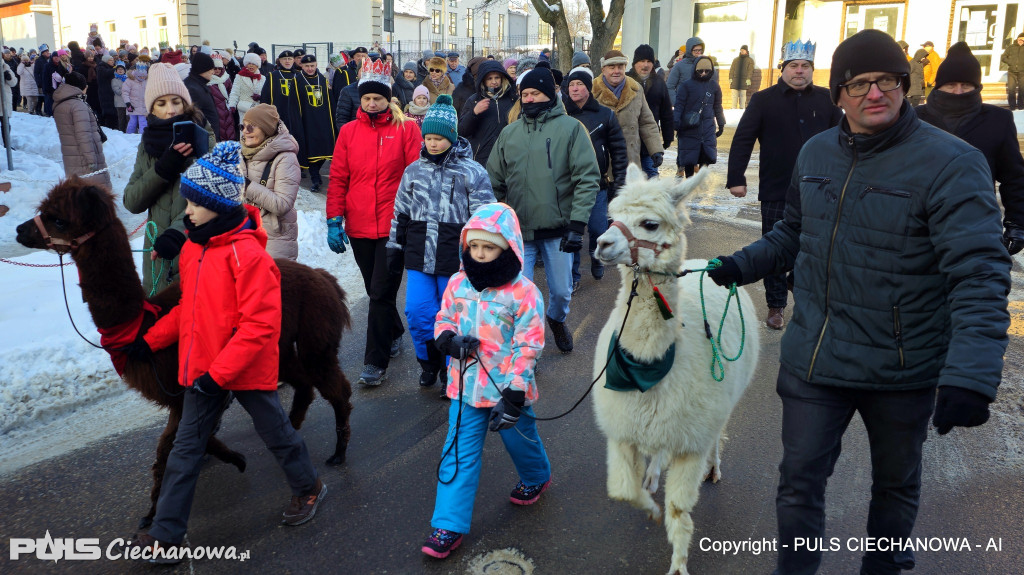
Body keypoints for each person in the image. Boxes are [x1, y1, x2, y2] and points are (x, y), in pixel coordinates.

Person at [707, 30, 1011, 575]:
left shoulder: (952, 163)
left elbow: (979, 275)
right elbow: (793, 232)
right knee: (798, 483)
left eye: (888, 81)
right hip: (816, 358)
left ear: (905, 85)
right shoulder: (816, 152)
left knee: (894, 487)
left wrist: (971, 374)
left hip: (902, 367)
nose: (876, 93)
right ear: (839, 95)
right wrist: (740, 264)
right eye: (860, 84)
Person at [128, 142, 325, 562]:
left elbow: (259, 326)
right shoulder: (195, 248)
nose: (187, 212)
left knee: (276, 433)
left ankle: (308, 486)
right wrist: (152, 340)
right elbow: (189, 308)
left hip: (243, 369)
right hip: (203, 369)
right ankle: (166, 534)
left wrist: (219, 376)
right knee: (185, 449)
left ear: (218, 205)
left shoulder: (250, 257)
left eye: (195, 204)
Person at [422, 202, 550, 560]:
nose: (479, 254)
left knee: (520, 439)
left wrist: (515, 392)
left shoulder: (525, 293)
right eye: (474, 246)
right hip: (465, 387)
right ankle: (448, 524)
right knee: (457, 453)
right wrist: (448, 340)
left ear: (507, 247)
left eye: (488, 247)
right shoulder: (457, 282)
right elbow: (444, 318)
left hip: (507, 389)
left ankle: (536, 476)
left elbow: (528, 346)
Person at [726, 39, 841, 331]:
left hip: (821, 190)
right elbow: (743, 139)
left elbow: (844, 139)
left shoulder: (827, 100)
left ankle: (804, 296)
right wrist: (736, 178)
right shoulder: (763, 100)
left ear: (812, 69)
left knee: (815, 248)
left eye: (805, 66)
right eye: (793, 66)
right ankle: (775, 305)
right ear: (783, 69)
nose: (799, 71)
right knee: (774, 249)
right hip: (777, 189)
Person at [486, 66, 600, 353]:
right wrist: (493, 222)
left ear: (550, 95)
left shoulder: (571, 129)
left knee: (561, 291)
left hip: (558, 231)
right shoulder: (509, 133)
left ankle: (557, 319)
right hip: (519, 232)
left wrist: (577, 225)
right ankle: (527, 349)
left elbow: (587, 178)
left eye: (535, 93)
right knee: (520, 297)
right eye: (524, 94)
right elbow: (493, 181)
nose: (529, 99)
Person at [387, 95, 496, 387]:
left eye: (439, 138)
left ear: (452, 137)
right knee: (417, 312)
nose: (433, 144)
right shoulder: (413, 171)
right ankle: (428, 362)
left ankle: (452, 369)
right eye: (429, 138)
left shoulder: (472, 172)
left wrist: (481, 257)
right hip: (420, 254)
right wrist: (394, 247)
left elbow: (484, 219)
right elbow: (400, 212)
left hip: (456, 258)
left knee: (453, 315)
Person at [326, 57, 421, 386]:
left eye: (377, 98)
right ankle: (393, 330)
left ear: (387, 99)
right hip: (360, 224)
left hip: (395, 226)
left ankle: (374, 362)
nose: (371, 103)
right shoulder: (349, 132)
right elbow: (338, 177)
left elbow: (415, 176)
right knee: (373, 288)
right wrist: (334, 218)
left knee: (380, 292)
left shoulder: (407, 129)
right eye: (366, 98)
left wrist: (412, 219)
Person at [917, 41, 1024, 256]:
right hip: (919, 224)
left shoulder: (997, 120)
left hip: (977, 224)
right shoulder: (916, 118)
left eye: (966, 85)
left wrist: (1017, 222)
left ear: (977, 87)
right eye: (951, 85)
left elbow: (1014, 177)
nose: (958, 92)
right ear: (939, 86)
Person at [122, 63, 215, 295]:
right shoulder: (148, 143)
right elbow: (132, 202)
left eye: (176, 101)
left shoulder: (204, 137)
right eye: (161, 104)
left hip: (196, 253)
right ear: (152, 109)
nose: (171, 110)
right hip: (158, 260)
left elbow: (212, 196)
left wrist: (177, 233)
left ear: (186, 103)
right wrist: (162, 169)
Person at [564, 66, 628, 290]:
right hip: (568, 184)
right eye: (571, 85)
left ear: (589, 88)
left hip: (597, 183)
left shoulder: (605, 114)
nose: (574, 88)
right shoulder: (562, 114)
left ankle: (596, 257)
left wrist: (619, 181)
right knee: (572, 232)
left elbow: (618, 150)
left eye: (579, 84)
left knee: (597, 228)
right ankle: (573, 277)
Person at [239, 104, 301, 260]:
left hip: (274, 239)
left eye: (251, 127)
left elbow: (282, 205)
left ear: (266, 129)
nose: (245, 131)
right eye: (243, 126)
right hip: (242, 235)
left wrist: (246, 186)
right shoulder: (239, 154)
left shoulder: (285, 158)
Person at [593, 50, 664, 170]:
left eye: (620, 67)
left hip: (630, 160)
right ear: (603, 69)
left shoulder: (636, 89)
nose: (616, 71)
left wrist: (656, 150)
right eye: (612, 67)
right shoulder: (591, 91)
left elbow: (647, 122)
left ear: (625, 68)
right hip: (602, 161)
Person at [53, 71, 110, 190]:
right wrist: (91, 160)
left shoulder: (62, 103)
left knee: (77, 190)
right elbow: (84, 135)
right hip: (84, 157)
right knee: (95, 192)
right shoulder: (78, 106)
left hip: (71, 155)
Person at [626, 44, 674, 179]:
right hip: (629, 140)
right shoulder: (625, 81)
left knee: (652, 176)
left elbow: (666, 112)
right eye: (642, 61)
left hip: (649, 141)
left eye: (649, 61)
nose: (645, 65)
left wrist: (668, 136)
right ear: (635, 63)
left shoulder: (659, 83)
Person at [674, 56, 726, 178]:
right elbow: (679, 105)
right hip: (689, 127)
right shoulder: (686, 86)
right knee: (689, 159)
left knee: (706, 156)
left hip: (707, 127)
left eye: (707, 71)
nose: (703, 73)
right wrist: (676, 122)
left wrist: (721, 123)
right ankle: (690, 181)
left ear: (711, 71)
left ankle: (700, 181)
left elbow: (717, 106)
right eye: (700, 71)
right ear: (695, 70)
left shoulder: (714, 86)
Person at [458, 59, 516, 168]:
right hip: (482, 158)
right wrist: (474, 113)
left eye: (497, 77)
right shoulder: (474, 100)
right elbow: (462, 131)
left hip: (507, 156)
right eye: (489, 78)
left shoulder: (512, 99)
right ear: (483, 80)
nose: (494, 82)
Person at [294, 53, 336, 193]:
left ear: (316, 65)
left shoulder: (323, 79)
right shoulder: (297, 81)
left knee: (326, 151)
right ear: (302, 66)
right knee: (311, 152)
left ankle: (316, 173)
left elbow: (330, 100)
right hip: (307, 122)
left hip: (324, 120)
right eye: (307, 66)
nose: (310, 68)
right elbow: (293, 105)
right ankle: (315, 179)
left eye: (312, 65)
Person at [261, 50, 301, 138]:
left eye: (289, 59)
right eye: (284, 59)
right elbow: (265, 96)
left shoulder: (299, 75)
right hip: (279, 113)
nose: (287, 61)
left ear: (293, 60)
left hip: (295, 114)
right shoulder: (273, 76)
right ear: (280, 61)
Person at [183, 51, 221, 140]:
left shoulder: (198, 84)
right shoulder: (192, 89)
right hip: (205, 139)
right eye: (211, 69)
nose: (213, 72)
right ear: (203, 69)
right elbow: (195, 120)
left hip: (210, 137)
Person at [228, 53, 266, 127]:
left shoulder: (263, 78)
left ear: (257, 65)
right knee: (245, 130)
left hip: (258, 110)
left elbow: (266, 93)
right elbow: (234, 92)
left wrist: (260, 97)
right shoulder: (239, 76)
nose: (251, 66)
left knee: (257, 130)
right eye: (249, 63)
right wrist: (232, 105)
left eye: (253, 64)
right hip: (244, 108)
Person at [206, 53, 236, 142]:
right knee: (219, 132)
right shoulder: (208, 81)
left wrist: (231, 105)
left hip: (227, 109)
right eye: (215, 68)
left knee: (229, 130)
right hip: (215, 111)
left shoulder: (226, 78)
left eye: (219, 68)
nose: (217, 70)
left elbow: (231, 92)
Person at [123, 62, 149, 134]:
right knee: (132, 122)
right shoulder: (129, 81)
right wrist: (128, 103)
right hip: (132, 105)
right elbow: (125, 92)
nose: (142, 78)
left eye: (144, 77)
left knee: (143, 122)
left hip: (143, 105)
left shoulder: (146, 81)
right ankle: (129, 135)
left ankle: (142, 136)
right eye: (140, 77)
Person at [1001, 33, 1024, 110]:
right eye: (1020, 39)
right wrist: (1010, 62)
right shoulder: (1011, 47)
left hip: (1022, 72)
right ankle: (1012, 106)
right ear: (1017, 39)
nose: (1021, 41)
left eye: (1023, 40)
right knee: (1011, 89)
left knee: (1022, 89)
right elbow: (1003, 57)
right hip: (1012, 72)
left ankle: (1021, 106)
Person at [729, 45, 755, 109]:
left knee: (743, 99)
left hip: (744, 82)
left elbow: (750, 71)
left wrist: (748, 79)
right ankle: (733, 111)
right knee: (734, 99)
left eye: (743, 50)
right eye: (741, 50)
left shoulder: (750, 60)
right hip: (735, 82)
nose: (742, 51)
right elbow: (732, 70)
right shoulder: (735, 60)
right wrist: (730, 78)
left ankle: (742, 112)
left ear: (746, 51)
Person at [112, 61, 128, 131]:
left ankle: (128, 132)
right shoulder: (114, 80)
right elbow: (117, 91)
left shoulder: (128, 79)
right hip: (120, 103)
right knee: (121, 119)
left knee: (128, 119)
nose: (120, 70)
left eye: (122, 69)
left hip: (128, 102)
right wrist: (126, 90)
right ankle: (121, 132)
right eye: (119, 69)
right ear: (116, 71)